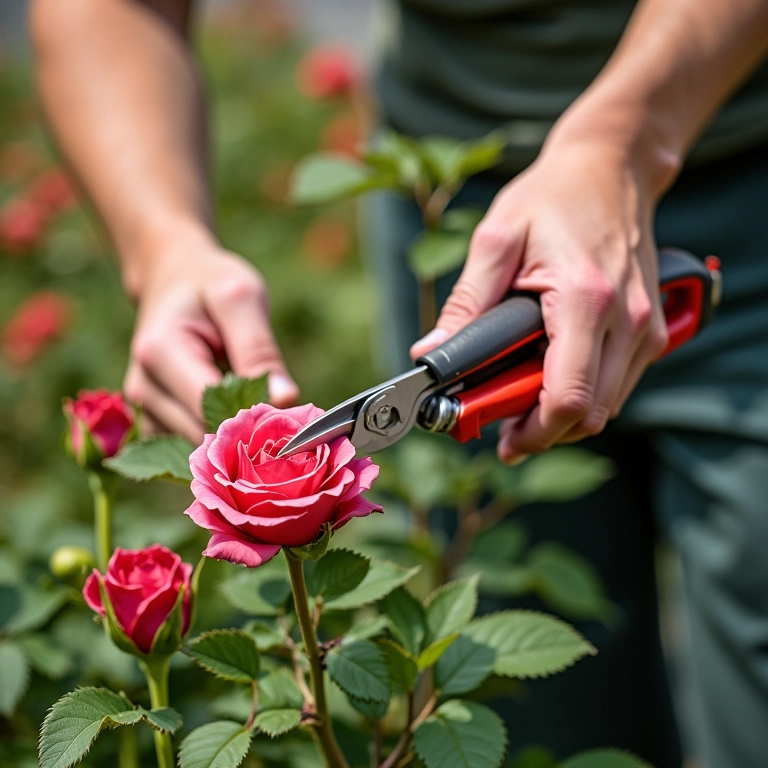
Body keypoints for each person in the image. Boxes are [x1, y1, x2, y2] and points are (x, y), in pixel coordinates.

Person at [29, 0, 768, 765]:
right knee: (545, 716)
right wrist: (163, 243)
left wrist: (622, 139)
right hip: (456, 207)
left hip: (743, 171)